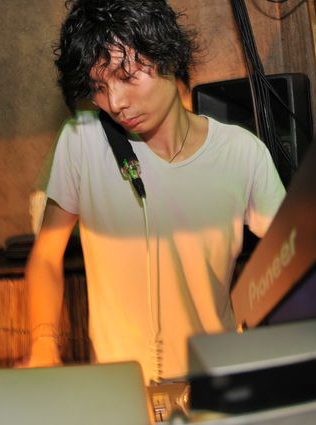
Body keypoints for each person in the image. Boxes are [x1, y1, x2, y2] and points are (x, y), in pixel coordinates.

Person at [23, 0, 286, 384]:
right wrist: (44, 343)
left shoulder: (242, 152)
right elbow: (46, 256)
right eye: (98, 88)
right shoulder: (82, 141)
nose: (115, 103)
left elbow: (293, 256)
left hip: (217, 377)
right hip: (120, 384)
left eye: (127, 77)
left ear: (169, 56)